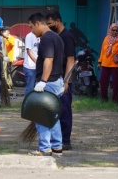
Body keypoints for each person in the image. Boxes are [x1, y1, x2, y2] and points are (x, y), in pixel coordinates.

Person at [27, 12, 65, 157]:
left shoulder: (46, 39)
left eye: (31, 27)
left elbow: (48, 60)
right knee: (53, 115)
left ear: (38, 23)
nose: (31, 31)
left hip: (48, 82)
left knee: (42, 115)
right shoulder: (57, 37)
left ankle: (44, 148)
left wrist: (43, 81)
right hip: (57, 81)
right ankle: (57, 146)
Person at [45, 10, 76, 151]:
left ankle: (66, 140)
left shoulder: (67, 36)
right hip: (55, 79)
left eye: (50, 23)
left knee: (64, 110)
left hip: (64, 80)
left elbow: (70, 60)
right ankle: (56, 139)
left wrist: (66, 81)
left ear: (58, 21)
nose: (49, 26)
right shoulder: (55, 36)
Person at [98, 23, 118, 103]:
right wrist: (99, 61)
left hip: (116, 64)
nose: (115, 32)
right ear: (110, 30)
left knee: (116, 83)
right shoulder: (106, 39)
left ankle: (115, 100)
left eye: (117, 30)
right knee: (103, 81)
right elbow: (103, 51)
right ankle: (104, 98)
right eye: (113, 30)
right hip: (105, 63)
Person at [23, 30, 39, 96]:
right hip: (30, 67)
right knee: (30, 88)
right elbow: (29, 51)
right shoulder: (29, 36)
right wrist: (37, 62)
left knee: (38, 88)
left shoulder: (41, 36)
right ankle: (27, 104)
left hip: (38, 66)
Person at [0, 26, 16, 94]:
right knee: (4, 72)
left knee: (8, 73)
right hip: (3, 59)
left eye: (5, 32)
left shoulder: (11, 38)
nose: (4, 33)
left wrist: (8, 37)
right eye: (3, 32)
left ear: (8, 32)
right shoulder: (2, 39)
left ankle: (8, 85)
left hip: (8, 59)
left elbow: (12, 44)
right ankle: (4, 85)